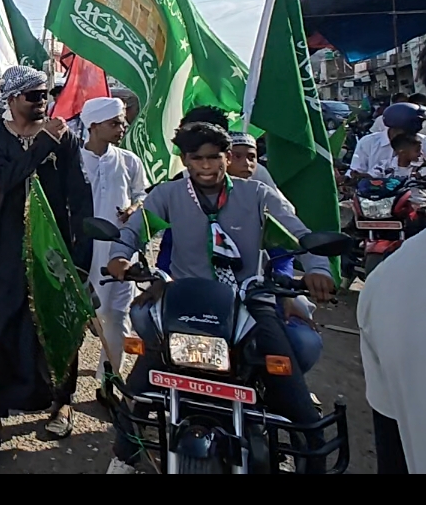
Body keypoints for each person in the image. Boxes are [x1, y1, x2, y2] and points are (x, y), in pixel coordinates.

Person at [104, 121, 333, 474]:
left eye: (214, 157)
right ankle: (124, 456)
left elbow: (300, 234)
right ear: (185, 160)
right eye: (197, 158)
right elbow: (133, 232)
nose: (207, 166)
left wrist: (318, 269)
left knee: (294, 397)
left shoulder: (258, 194)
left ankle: (312, 458)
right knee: (138, 390)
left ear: (227, 157)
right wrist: (120, 257)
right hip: (186, 299)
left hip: (248, 301)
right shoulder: (167, 195)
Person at [0, 66, 93, 453]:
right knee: (2, 326)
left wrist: (81, 258)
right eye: (34, 96)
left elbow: (80, 198)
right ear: (12, 99)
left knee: (58, 322)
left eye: (46, 94)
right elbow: (7, 179)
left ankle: (62, 403)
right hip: (9, 249)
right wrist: (43, 143)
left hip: (54, 249)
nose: (43, 102)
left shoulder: (65, 137)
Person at [359, 25, 426, 474]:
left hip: (418, 201)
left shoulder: (391, 290)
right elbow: (356, 175)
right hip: (380, 202)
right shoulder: (368, 144)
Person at [227, 132, 322, 377]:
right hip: (207, 291)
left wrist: (284, 290)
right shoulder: (190, 195)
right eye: (236, 156)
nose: (245, 164)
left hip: (258, 290)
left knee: (302, 343)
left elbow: (284, 247)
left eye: (251, 157)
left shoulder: (264, 198)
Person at [78, 97, 148, 380]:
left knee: (119, 315)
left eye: (122, 123)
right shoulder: (73, 161)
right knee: (83, 313)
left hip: (120, 251)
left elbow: (143, 195)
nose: (122, 128)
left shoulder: (129, 161)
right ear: (94, 126)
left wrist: (134, 208)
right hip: (84, 252)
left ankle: (108, 379)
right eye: (115, 123)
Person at [349, 101, 426, 183]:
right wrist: (353, 177)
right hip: (376, 199)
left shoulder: (422, 140)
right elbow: (357, 170)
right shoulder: (368, 142)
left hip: (419, 196)